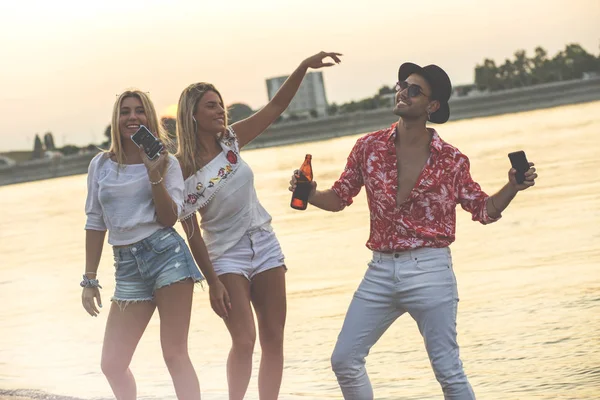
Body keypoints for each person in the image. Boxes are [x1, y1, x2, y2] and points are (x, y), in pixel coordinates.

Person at [288, 62, 539, 399]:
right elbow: (337, 198)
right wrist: (306, 193)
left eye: (414, 90)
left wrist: (512, 187)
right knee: (344, 360)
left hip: (431, 270)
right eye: (402, 85)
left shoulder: (451, 160)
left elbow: (483, 210)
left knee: (448, 372)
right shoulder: (368, 147)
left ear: (432, 106)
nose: (403, 92)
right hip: (379, 270)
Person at [175, 51, 342, 400]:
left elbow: (275, 108)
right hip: (225, 256)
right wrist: (213, 281)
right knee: (245, 340)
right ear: (192, 114)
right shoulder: (181, 168)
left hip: (264, 244)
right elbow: (190, 232)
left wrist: (302, 67)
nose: (221, 110)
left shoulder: (231, 142)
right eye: (210, 106)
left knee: (273, 339)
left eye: (221, 104)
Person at [82, 89, 210, 400]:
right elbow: (95, 222)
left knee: (174, 354)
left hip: (167, 257)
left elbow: (169, 219)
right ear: (117, 119)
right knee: (112, 364)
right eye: (125, 111)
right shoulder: (100, 165)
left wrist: (154, 175)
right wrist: (90, 279)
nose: (132, 117)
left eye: (139, 111)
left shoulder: (168, 164)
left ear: (149, 118)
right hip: (126, 266)